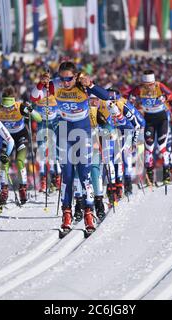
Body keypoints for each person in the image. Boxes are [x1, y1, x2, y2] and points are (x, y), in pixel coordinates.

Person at [31, 61, 110, 235]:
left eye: (69, 78)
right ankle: (66, 214)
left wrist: (90, 84)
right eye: (62, 78)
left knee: (84, 174)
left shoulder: (83, 86)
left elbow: (105, 96)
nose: (65, 82)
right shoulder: (55, 85)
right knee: (66, 174)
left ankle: (89, 213)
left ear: (75, 76)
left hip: (82, 131)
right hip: (64, 130)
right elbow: (35, 97)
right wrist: (40, 83)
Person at [0, 86, 42, 205]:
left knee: (19, 161)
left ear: (14, 102)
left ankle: (22, 188)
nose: (7, 110)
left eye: (9, 107)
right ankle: (4, 189)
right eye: (5, 107)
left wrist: (31, 110)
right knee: (5, 161)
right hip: (5, 137)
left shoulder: (20, 107)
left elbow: (39, 119)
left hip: (20, 136)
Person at [129, 70, 172, 185]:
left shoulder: (159, 86)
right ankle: (149, 177)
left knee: (162, 147)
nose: (149, 88)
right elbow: (129, 98)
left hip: (162, 120)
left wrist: (165, 97)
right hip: (149, 120)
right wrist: (133, 103)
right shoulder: (140, 88)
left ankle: (166, 176)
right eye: (147, 85)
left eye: (151, 85)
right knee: (149, 149)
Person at [34, 81, 61, 193]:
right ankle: (43, 180)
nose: (47, 92)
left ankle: (56, 178)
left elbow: (61, 111)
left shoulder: (56, 97)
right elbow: (33, 99)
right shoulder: (39, 95)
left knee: (55, 152)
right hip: (42, 123)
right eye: (46, 89)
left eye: (49, 89)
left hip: (54, 123)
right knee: (42, 151)